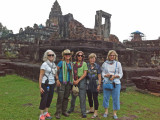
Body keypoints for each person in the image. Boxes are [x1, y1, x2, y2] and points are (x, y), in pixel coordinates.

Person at [101, 50, 123, 119]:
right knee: (106, 97)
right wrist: (106, 75)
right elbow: (103, 73)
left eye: (113, 55)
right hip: (107, 82)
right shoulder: (105, 63)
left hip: (116, 83)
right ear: (108, 56)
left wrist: (115, 76)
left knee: (116, 98)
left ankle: (114, 113)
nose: (112, 56)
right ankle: (106, 111)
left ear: (115, 56)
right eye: (111, 55)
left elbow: (121, 74)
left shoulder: (118, 64)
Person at [67, 51, 88, 118]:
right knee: (73, 95)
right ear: (76, 56)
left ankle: (83, 112)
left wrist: (78, 80)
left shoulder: (84, 64)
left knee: (82, 96)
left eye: (81, 56)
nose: (80, 57)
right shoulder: (73, 64)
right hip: (74, 79)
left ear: (83, 57)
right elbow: (71, 73)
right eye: (78, 55)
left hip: (81, 80)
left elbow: (85, 73)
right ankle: (71, 109)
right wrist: (73, 80)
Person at [55, 49, 74, 119]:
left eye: (69, 54)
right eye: (66, 54)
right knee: (60, 97)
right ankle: (58, 112)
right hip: (62, 82)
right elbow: (55, 71)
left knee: (66, 97)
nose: (68, 56)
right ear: (64, 56)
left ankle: (64, 111)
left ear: (70, 55)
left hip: (69, 83)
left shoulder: (71, 63)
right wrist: (57, 79)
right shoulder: (61, 63)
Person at [39, 50, 57, 120]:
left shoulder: (53, 64)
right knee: (44, 99)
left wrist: (57, 80)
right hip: (45, 84)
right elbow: (41, 75)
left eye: (52, 55)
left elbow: (55, 73)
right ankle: (41, 115)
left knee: (49, 98)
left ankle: (46, 112)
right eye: (49, 55)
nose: (51, 56)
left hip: (52, 83)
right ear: (46, 56)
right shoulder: (44, 64)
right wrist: (40, 87)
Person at [86, 53, 101, 119]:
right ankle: (91, 109)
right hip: (88, 83)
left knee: (95, 97)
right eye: (91, 58)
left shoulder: (97, 66)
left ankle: (96, 112)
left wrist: (99, 85)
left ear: (95, 59)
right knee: (89, 97)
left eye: (93, 58)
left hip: (95, 83)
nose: (92, 59)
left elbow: (99, 76)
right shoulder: (86, 65)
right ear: (89, 59)